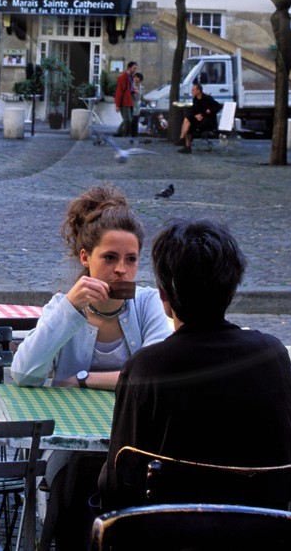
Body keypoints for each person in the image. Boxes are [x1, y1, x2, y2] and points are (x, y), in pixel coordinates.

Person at [99, 217, 291, 510]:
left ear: (164, 297)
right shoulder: (271, 354)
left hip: (170, 534)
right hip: (261, 531)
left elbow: (120, 481)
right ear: (232, 288)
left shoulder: (146, 368)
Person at [11, 186, 173, 550]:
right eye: (110, 257)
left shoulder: (147, 303)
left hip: (137, 446)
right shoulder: (62, 306)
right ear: (86, 257)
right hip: (75, 449)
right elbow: (23, 374)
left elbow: (156, 374)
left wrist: (82, 380)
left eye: (131, 259)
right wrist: (70, 309)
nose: (121, 269)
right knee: (80, 481)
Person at [177, 80, 221, 154]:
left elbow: (218, 106)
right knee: (187, 119)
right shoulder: (195, 99)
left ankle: (183, 140)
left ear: (198, 91)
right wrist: (196, 115)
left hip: (208, 120)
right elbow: (195, 111)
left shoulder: (207, 98)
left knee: (189, 122)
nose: (191, 91)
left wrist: (210, 110)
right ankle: (185, 144)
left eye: (193, 90)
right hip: (199, 119)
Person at [114, 62, 139, 138]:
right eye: (134, 68)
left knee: (129, 119)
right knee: (127, 120)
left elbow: (129, 89)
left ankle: (120, 133)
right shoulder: (123, 77)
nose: (135, 70)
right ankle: (124, 135)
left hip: (129, 101)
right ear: (129, 67)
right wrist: (117, 105)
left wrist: (134, 90)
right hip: (125, 101)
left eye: (136, 68)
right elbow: (119, 91)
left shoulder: (130, 77)